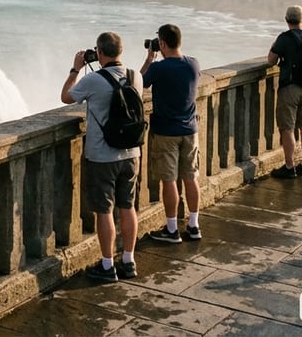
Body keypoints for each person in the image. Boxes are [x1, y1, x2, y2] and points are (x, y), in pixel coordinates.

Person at [60, 31, 139, 283]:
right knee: (128, 207)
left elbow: (66, 98)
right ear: (121, 51)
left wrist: (75, 69)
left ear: (100, 53)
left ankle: (107, 266)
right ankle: (128, 260)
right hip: (131, 153)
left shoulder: (93, 80)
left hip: (102, 156)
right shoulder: (135, 76)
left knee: (104, 211)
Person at [139, 24, 202, 243]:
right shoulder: (193, 64)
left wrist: (149, 59)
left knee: (169, 181)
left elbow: (139, 84)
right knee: (191, 177)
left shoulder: (159, 68)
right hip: (190, 130)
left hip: (166, 132)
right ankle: (194, 225)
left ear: (162, 43)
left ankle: (172, 229)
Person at [267, 5, 302, 179]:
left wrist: (274, 47)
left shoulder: (284, 38)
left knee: (287, 127)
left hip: (289, 88)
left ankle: (289, 167)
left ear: (286, 20)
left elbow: (271, 61)